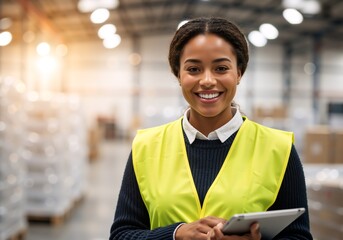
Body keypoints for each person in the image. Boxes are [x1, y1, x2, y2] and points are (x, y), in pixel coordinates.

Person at [109, 17, 312, 240]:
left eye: (221, 68)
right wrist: (175, 235)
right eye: (194, 69)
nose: (207, 80)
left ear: (239, 73)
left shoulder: (278, 149)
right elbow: (121, 235)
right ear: (178, 74)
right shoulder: (146, 147)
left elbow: (298, 236)